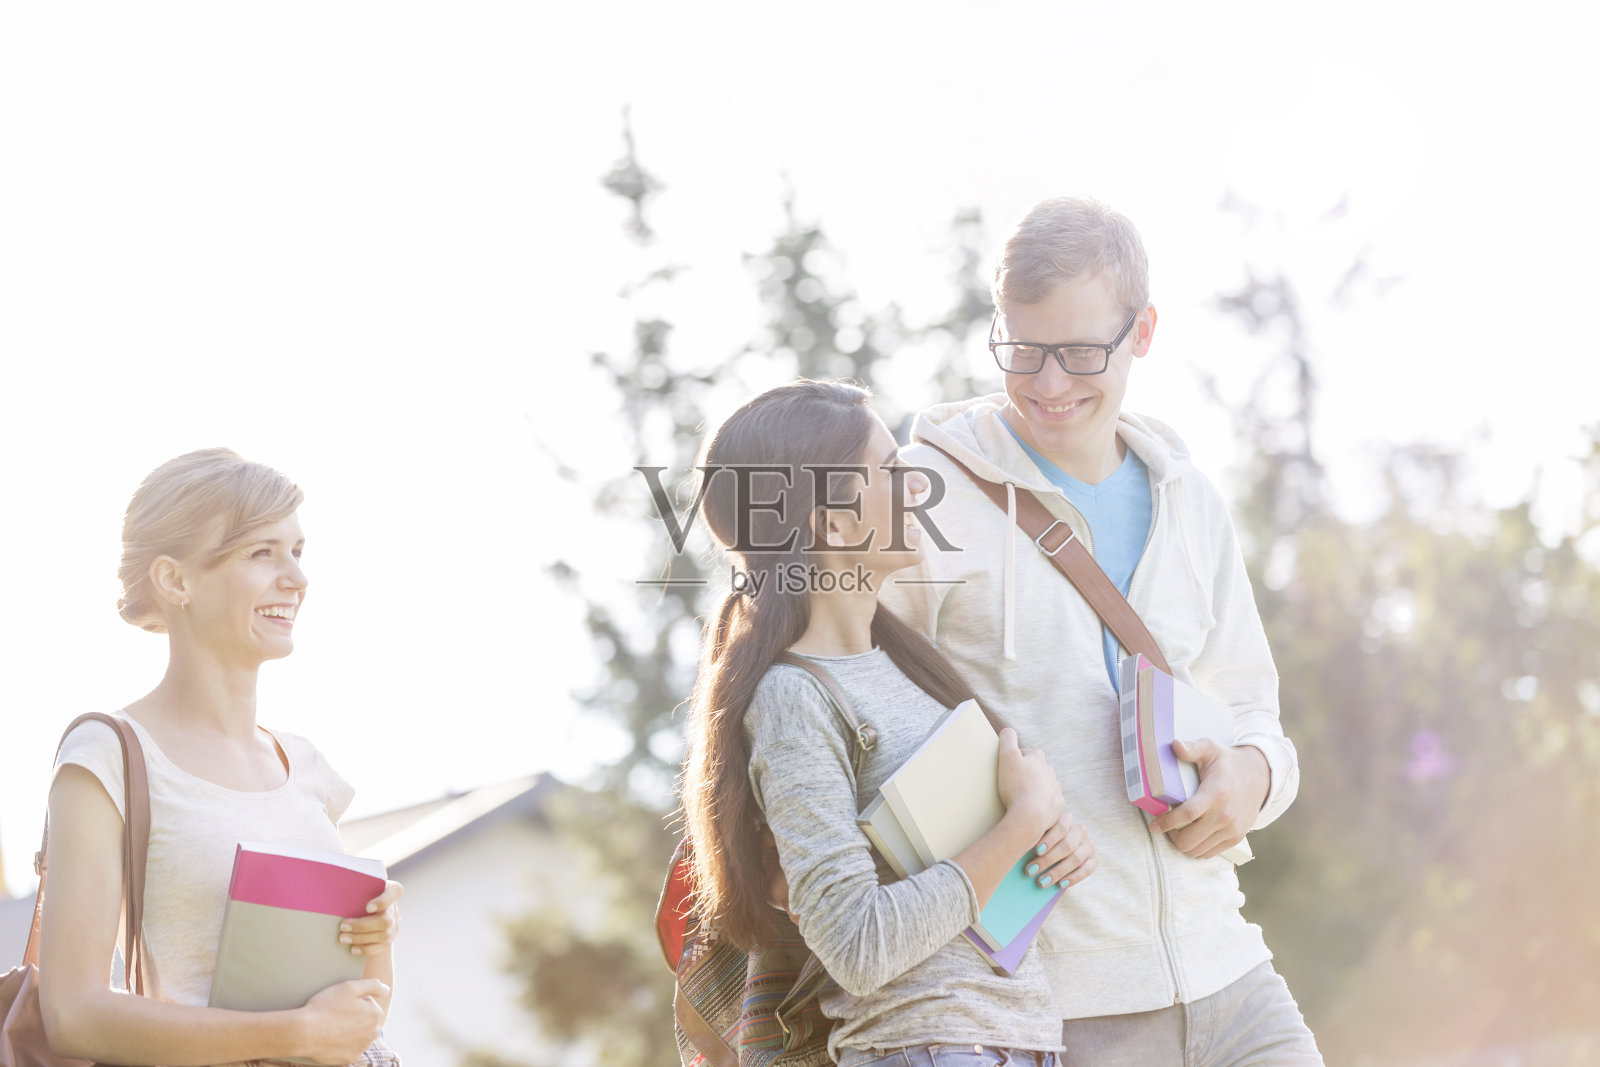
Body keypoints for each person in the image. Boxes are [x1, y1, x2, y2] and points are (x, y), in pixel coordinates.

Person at [877, 197, 1323, 1065]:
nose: (1049, 384)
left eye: (1081, 353)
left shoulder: (1188, 497)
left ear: (1143, 331)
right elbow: (864, 721)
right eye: (1024, 350)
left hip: (1231, 973)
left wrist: (1253, 774)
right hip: (1059, 1003)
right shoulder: (924, 493)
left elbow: (1256, 707)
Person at [678, 380, 1098, 1067]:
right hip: (928, 1046)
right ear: (832, 523)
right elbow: (857, 944)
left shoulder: (906, 664)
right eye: (891, 471)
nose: (915, 488)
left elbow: (973, 868)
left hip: (1013, 1042)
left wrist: (1048, 845)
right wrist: (1019, 823)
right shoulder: (793, 697)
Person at [38, 448, 401, 1066]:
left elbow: (356, 1016)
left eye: (297, 552)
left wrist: (376, 935)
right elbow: (73, 1016)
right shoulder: (108, 758)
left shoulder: (307, 767)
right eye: (262, 553)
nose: (297, 579)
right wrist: (293, 1036)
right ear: (175, 581)